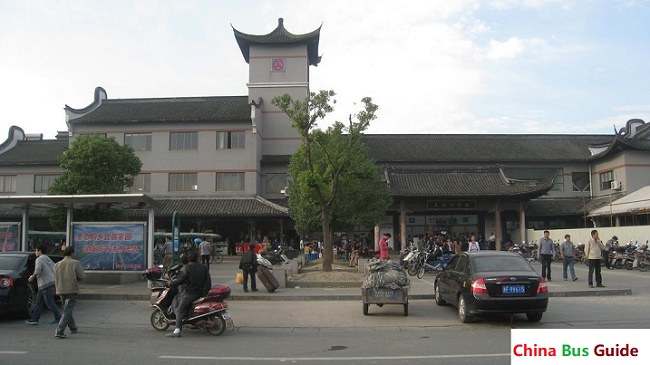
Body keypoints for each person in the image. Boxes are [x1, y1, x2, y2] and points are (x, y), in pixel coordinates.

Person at [166, 251, 211, 338]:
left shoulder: (187, 268)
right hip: (201, 293)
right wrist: (206, 293)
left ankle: (177, 330)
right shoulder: (204, 267)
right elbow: (208, 282)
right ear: (198, 258)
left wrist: (171, 283)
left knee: (179, 309)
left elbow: (181, 280)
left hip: (190, 293)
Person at [53, 246, 86, 339]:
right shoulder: (75, 263)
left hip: (60, 289)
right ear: (72, 253)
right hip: (71, 289)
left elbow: (54, 276)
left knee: (67, 309)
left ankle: (73, 327)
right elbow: (82, 276)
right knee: (67, 310)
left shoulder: (57, 264)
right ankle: (60, 330)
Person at [25, 244, 62, 325]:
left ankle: (59, 318)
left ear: (40, 251)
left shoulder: (39, 259)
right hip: (47, 283)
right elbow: (54, 268)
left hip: (45, 283)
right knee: (38, 301)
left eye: (36, 250)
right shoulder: (48, 258)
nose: (35, 252)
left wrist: (32, 277)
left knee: (50, 302)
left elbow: (38, 270)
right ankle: (35, 318)